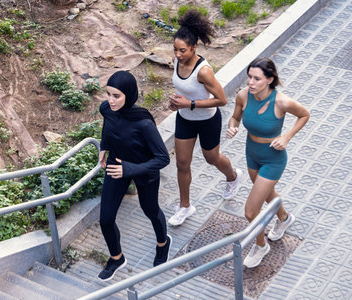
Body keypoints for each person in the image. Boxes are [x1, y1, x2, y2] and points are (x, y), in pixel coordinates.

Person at [226, 57, 310, 268]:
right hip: (251, 153)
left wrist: (286, 137)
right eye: (249, 78)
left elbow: (304, 114)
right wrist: (232, 126)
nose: (250, 83)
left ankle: (261, 246)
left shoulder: (281, 101)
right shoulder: (244, 96)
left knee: (251, 211)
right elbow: (235, 117)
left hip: (273, 158)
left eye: (257, 79)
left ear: (270, 79)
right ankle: (284, 218)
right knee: (267, 193)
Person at [168, 10, 243, 226]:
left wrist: (189, 103)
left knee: (212, 158)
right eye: (175, 49)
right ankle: (185, 206)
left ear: (194, 48)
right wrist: (175, 102)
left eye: (183, 50)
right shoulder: (177, 62)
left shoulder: (204, 71)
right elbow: (184, 89)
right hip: (185, 119)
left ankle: (233, 176)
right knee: (182, 163)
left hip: (207, 120)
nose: (178, 54)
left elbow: (221, 99)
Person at [97, 71, 171, 281]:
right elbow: (109, 127)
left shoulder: (143, 123)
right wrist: (104, 146)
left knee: (150, 210)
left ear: (129, 95)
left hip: (143, 169)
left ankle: (163, 243)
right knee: (106, 219)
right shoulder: (107, 110)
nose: (111, 100)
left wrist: (129, 169)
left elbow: (163, 158)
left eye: (116, 96)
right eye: (109, 94)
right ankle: (117, 258)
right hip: (116, 165)